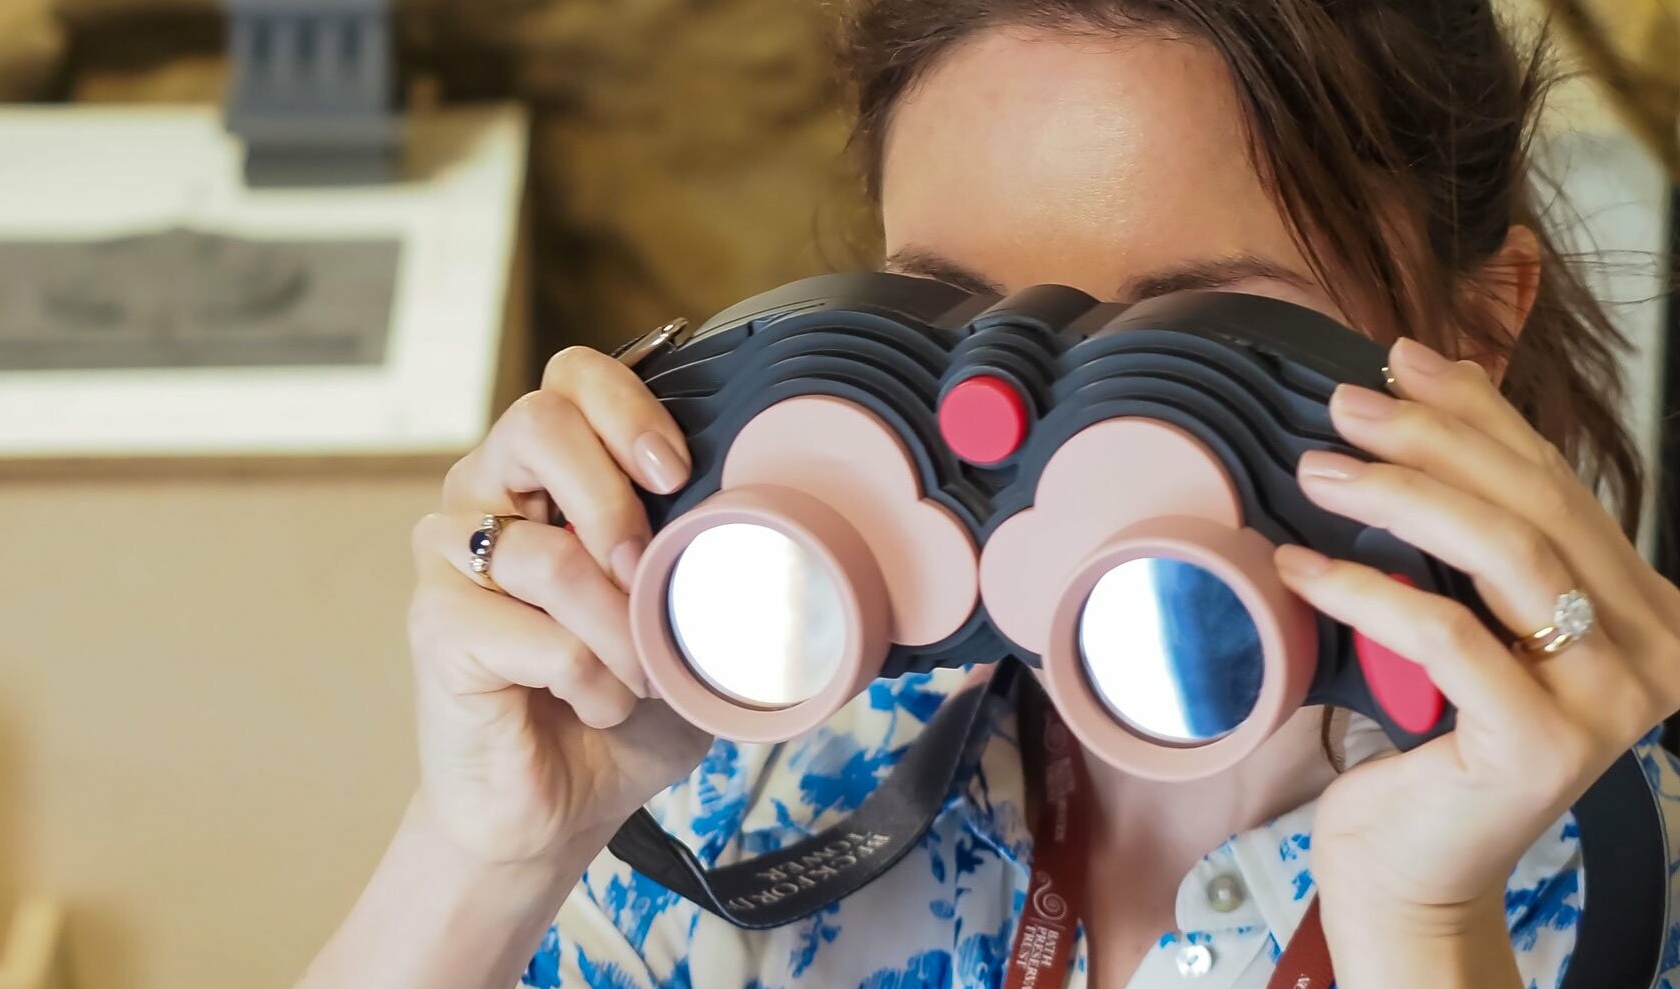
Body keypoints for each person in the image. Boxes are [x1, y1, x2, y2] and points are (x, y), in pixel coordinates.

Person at [301, 1, 1680, 986]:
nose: (1030, 434)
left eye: (1197, 336)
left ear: (1478, 329)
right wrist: (487, 853)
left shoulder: (1642, 890)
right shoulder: (750, 782)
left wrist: (1426, 927)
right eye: (952, 314)